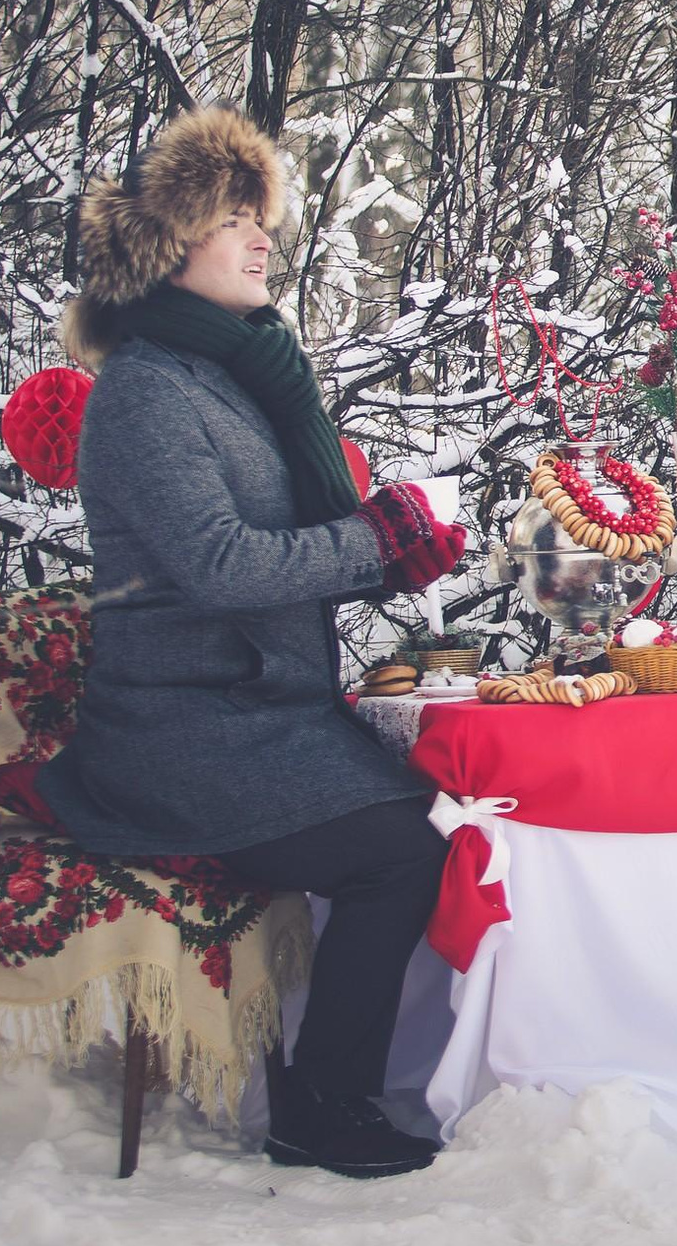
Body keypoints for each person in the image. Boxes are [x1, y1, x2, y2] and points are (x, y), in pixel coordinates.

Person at [40, 107, 469, 1179]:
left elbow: (286, 544)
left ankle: (370, 1079)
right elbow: (224, 565)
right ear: (164, 248)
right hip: (181, 730)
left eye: (260, 216)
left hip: (260, 713)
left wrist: (392, 554)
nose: (262, 237)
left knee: (439, 805)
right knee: (399, 850)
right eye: (235, 219)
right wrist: (369, 534)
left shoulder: (242, 372)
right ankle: (320, 1107)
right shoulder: (144, 391)